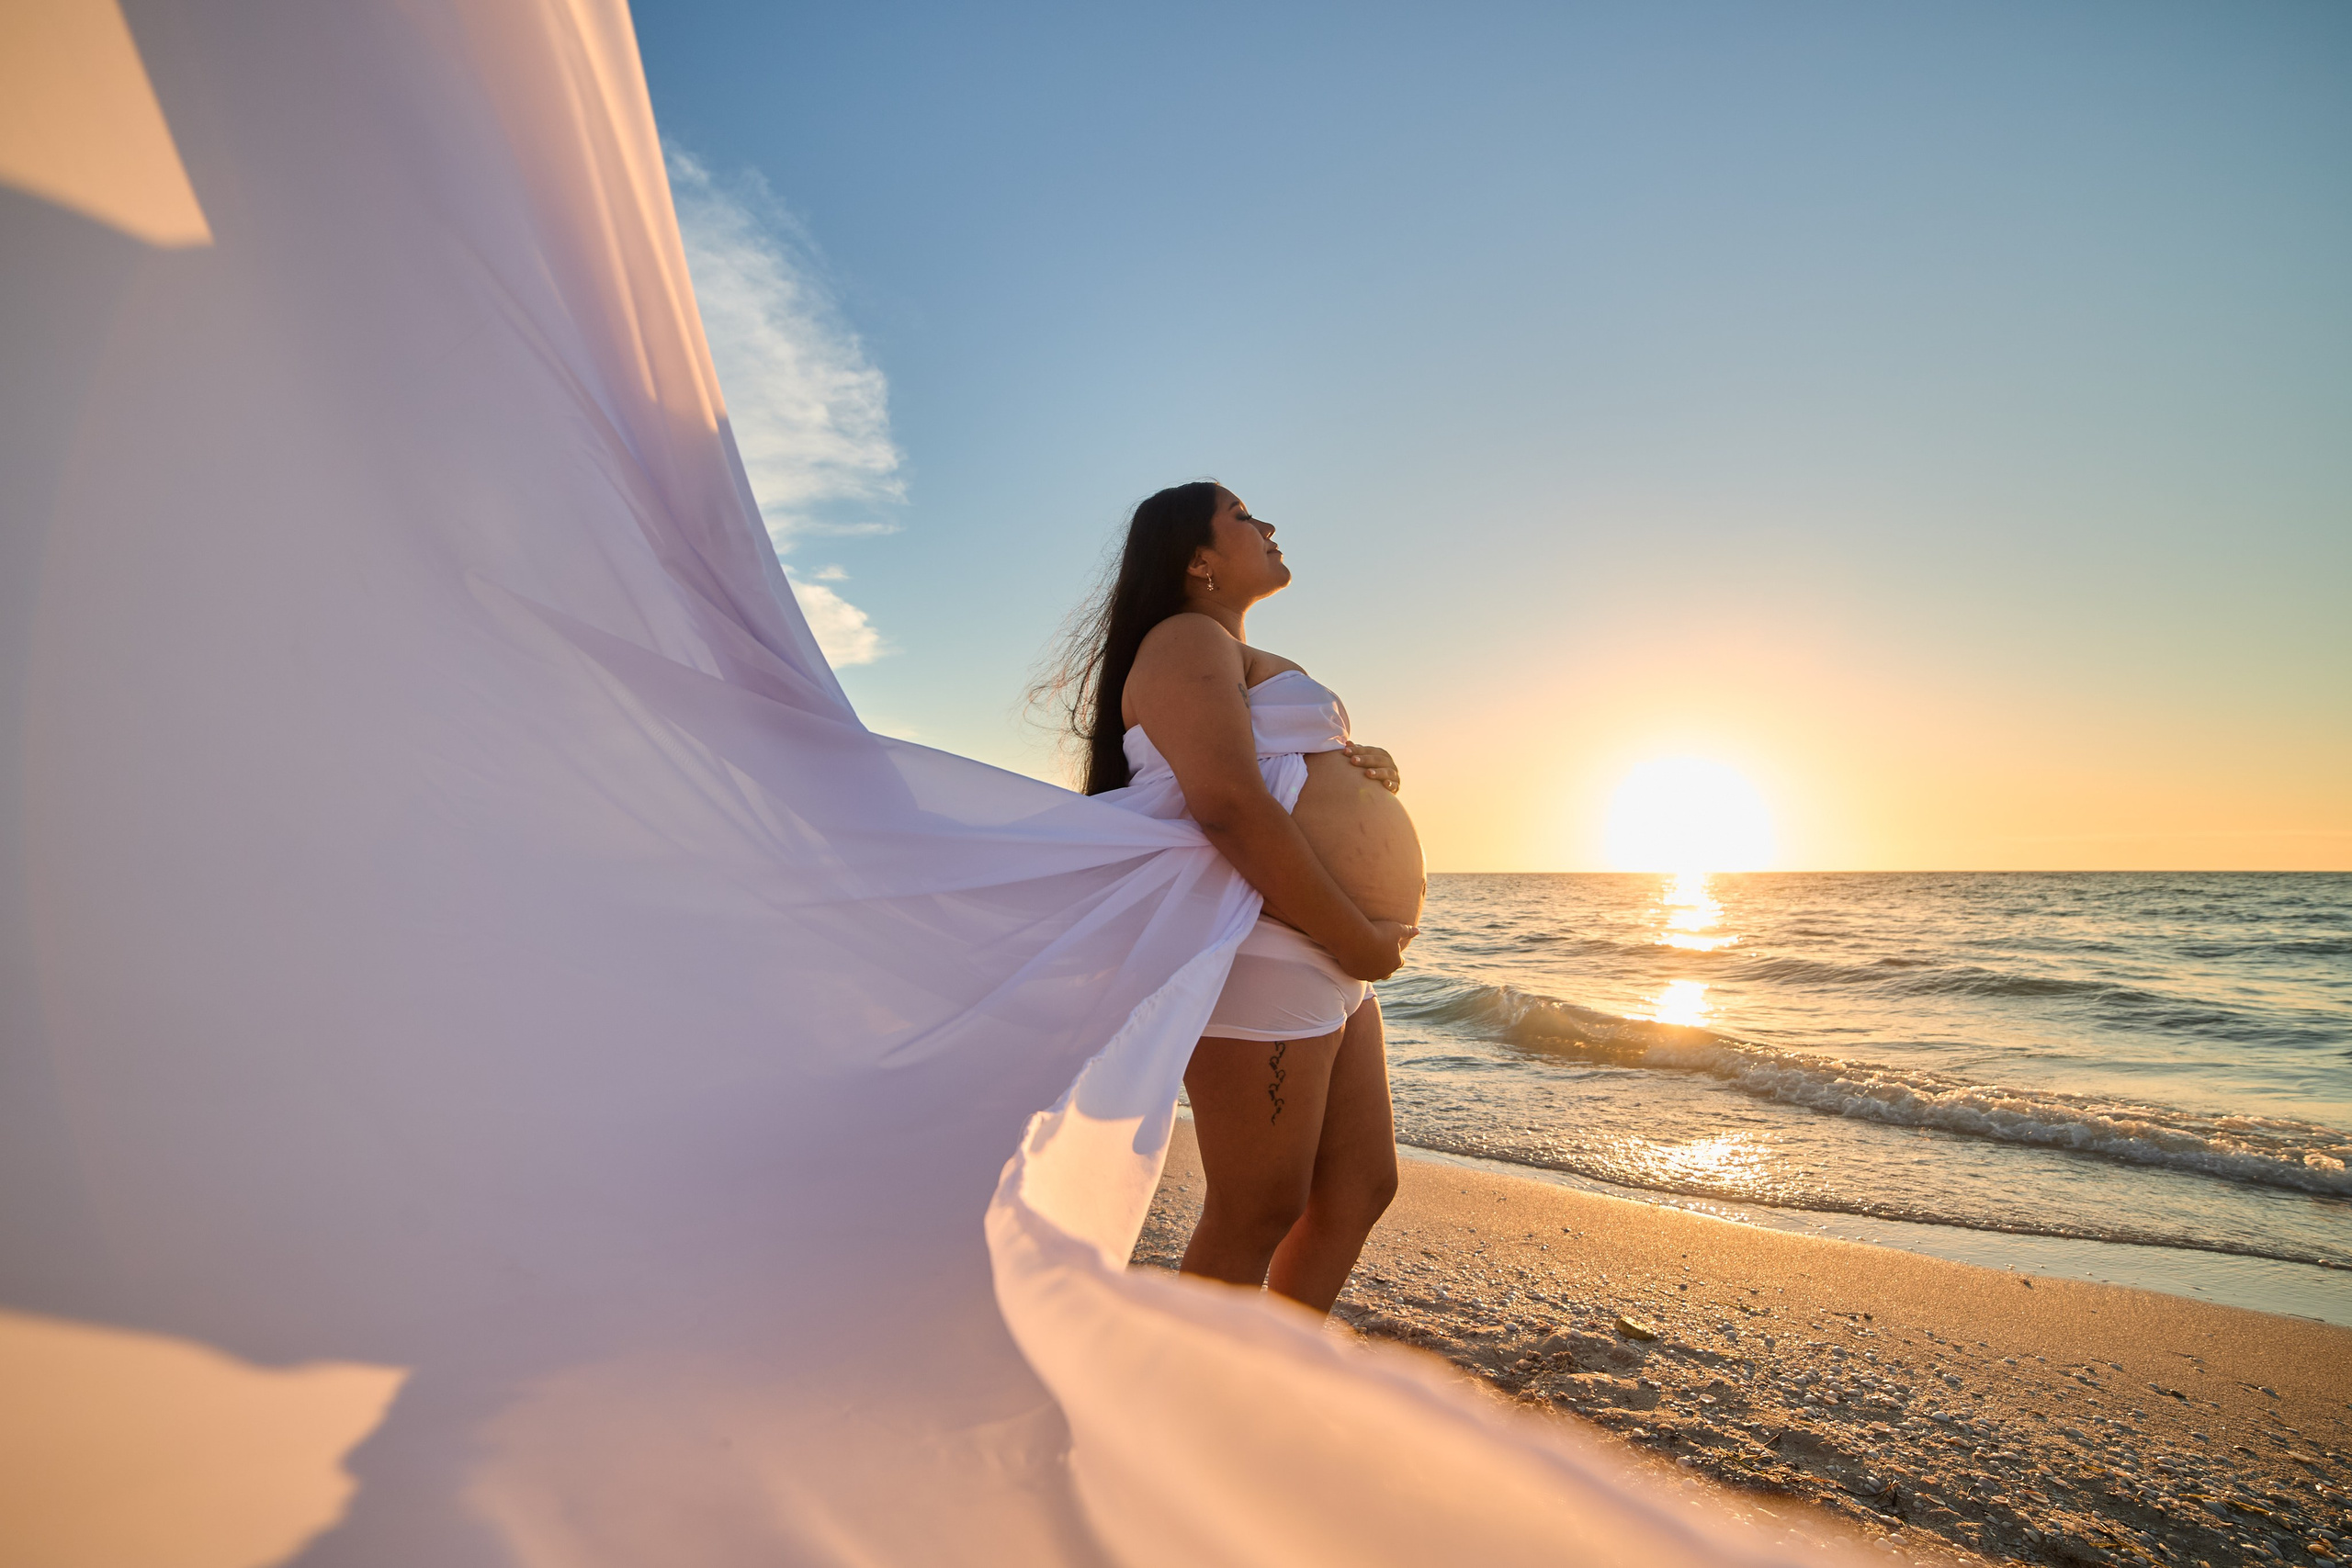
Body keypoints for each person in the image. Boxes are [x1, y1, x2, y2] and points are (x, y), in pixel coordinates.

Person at [1048, 480, 1427, 1313]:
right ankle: (1189, 1388)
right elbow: (1225, 800)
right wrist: (1358, 937)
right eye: (1243, 517)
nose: (1268, 524)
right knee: (1257, 1207)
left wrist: (1363, 767)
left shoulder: (1222, 649)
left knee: (1360, 1186)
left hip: (1318, 945)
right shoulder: (1184, 636)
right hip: (1269, 939)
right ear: (1198, 559)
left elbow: (1272, 768)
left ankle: (1265, 1374)